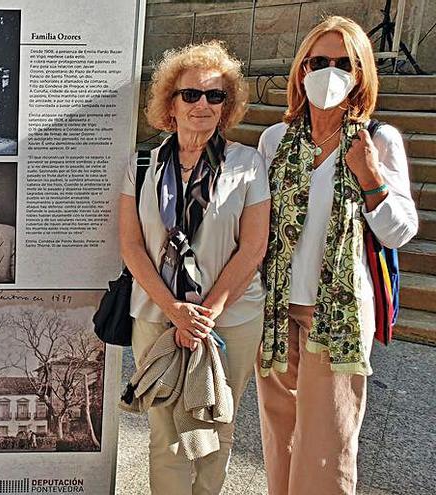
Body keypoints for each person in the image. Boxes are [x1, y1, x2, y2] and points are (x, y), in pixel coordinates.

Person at [256, 16, 417, 495]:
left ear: (362, 72)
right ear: (301, 69)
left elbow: (399, 232)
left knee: (327, 451)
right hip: (279, 311)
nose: (330, 71)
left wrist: (371, 179)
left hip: (339, 317)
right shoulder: (276, 141)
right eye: (318, 61)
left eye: (343, 63)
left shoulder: (378, 140)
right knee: (279, 440)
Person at [118, 41, 269, 494]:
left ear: (227, 105)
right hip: (157, 318)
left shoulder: (247, 164)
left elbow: (253, 246)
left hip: (231, 320)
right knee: (166, 434)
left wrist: (204, 316)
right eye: (191, 94)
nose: (202, 104)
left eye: (215, 96)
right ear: (171, 101)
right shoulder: (142, 165)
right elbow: (131, 246)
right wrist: (176, 311)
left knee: (215, 428)